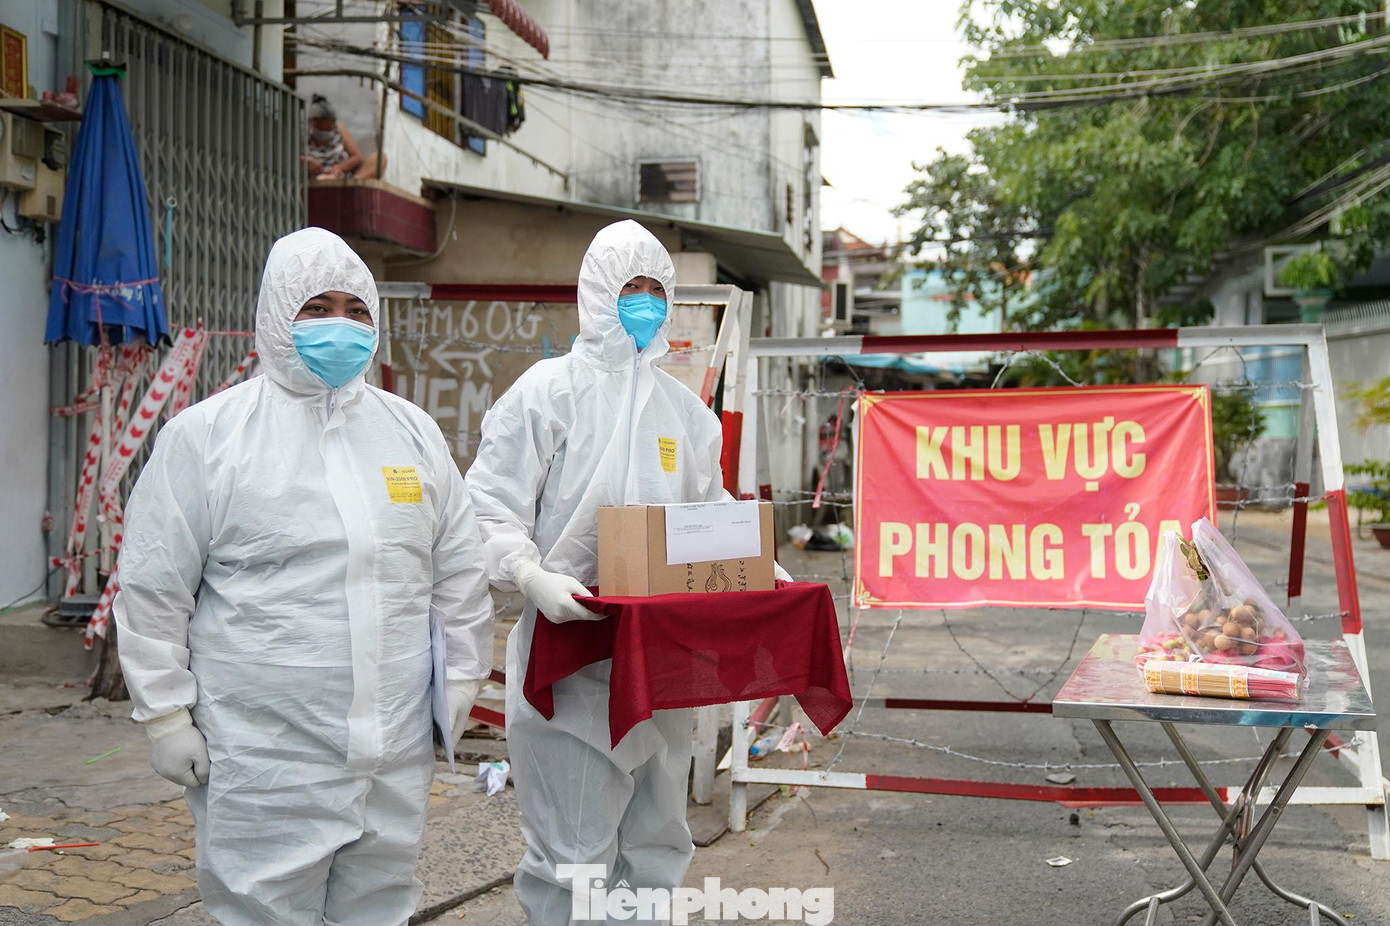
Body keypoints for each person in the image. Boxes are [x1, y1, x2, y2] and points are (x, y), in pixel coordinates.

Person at [113, 227, 493, 926]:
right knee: (262, 910)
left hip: (393, 747)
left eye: (356, 309)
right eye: (317, 307)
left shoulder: (411, 433)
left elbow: (458, 569)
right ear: (276, 312)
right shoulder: (207, 438)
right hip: (264, 753)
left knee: (380, 907)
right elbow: (152, 586)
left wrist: (462, 679)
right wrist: (165, 713)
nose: (339, 327)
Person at [467, 220, 789, 925]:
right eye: (628, 289)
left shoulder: (685, 413)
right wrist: (528, 575)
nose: (642, 303)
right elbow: (487, 509)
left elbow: (709, 510)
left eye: (654, 290)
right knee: (573, 855)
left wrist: (759, 557)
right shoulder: (546, 394)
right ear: (593, 295)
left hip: (665, 662)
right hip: (573, 656)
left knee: (656, 840)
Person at [304, 94, 384, 180]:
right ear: (312, 123)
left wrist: (340, 167)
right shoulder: (304, 134)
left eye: (328, 129)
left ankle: (355, 183)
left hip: (341, 176)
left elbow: (357, 156)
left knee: (380, 159)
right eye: (322, 129)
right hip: (314, 179)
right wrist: (306, 161)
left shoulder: (339, 129)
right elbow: (292, 158)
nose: (326, 132)